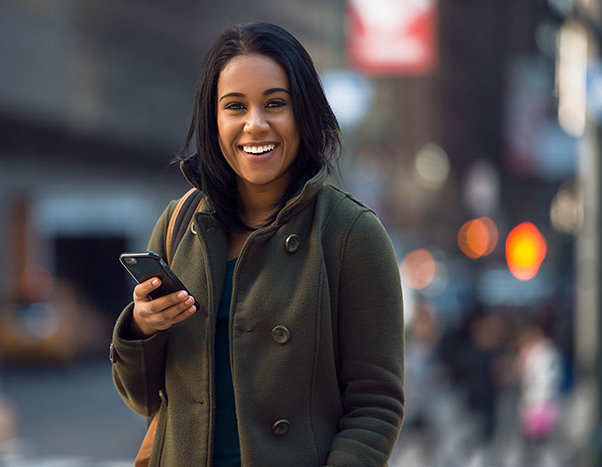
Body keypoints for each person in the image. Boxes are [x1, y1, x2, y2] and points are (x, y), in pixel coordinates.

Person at [110, 22, 404, 467]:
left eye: (275, 104)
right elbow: (141, 397)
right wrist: (143, 326)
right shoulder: (178, 225)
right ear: (214, 119)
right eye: (235, 106)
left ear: (303, 112)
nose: (255, 124)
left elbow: (376, 405)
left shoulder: (351, 234)